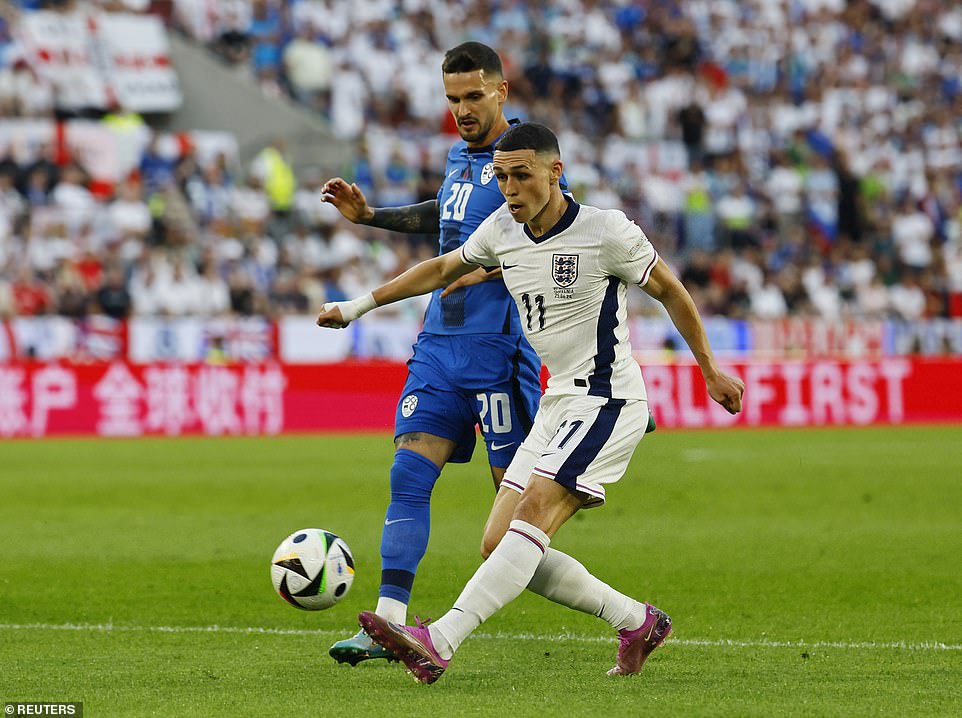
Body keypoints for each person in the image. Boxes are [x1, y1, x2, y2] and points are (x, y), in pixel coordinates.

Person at [316, 122, 745, 683]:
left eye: (522, 175)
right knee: (498, 542)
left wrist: (709, 367)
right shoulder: (503, 229)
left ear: (554, 172)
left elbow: (669, 288)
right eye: (502, 177)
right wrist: (357, 306)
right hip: (556, 402)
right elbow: (444, 265)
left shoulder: (606, 229)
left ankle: (439, 640)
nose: (511, 189)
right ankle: (637, 621)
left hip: (606, 399)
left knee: (535, 512)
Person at [320, 43, 553, 666]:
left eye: (473, 96)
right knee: (407, 473)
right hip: (439, 346)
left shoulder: (527, 160)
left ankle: (629, 615)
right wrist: (371, 216)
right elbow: (446, 222)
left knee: (515, 527)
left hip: (500, 351)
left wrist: (497, 269)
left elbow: (553, 238)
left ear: (502, 90)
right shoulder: (458, 158)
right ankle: (388, 622)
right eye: (452, 99)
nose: (462, 110)